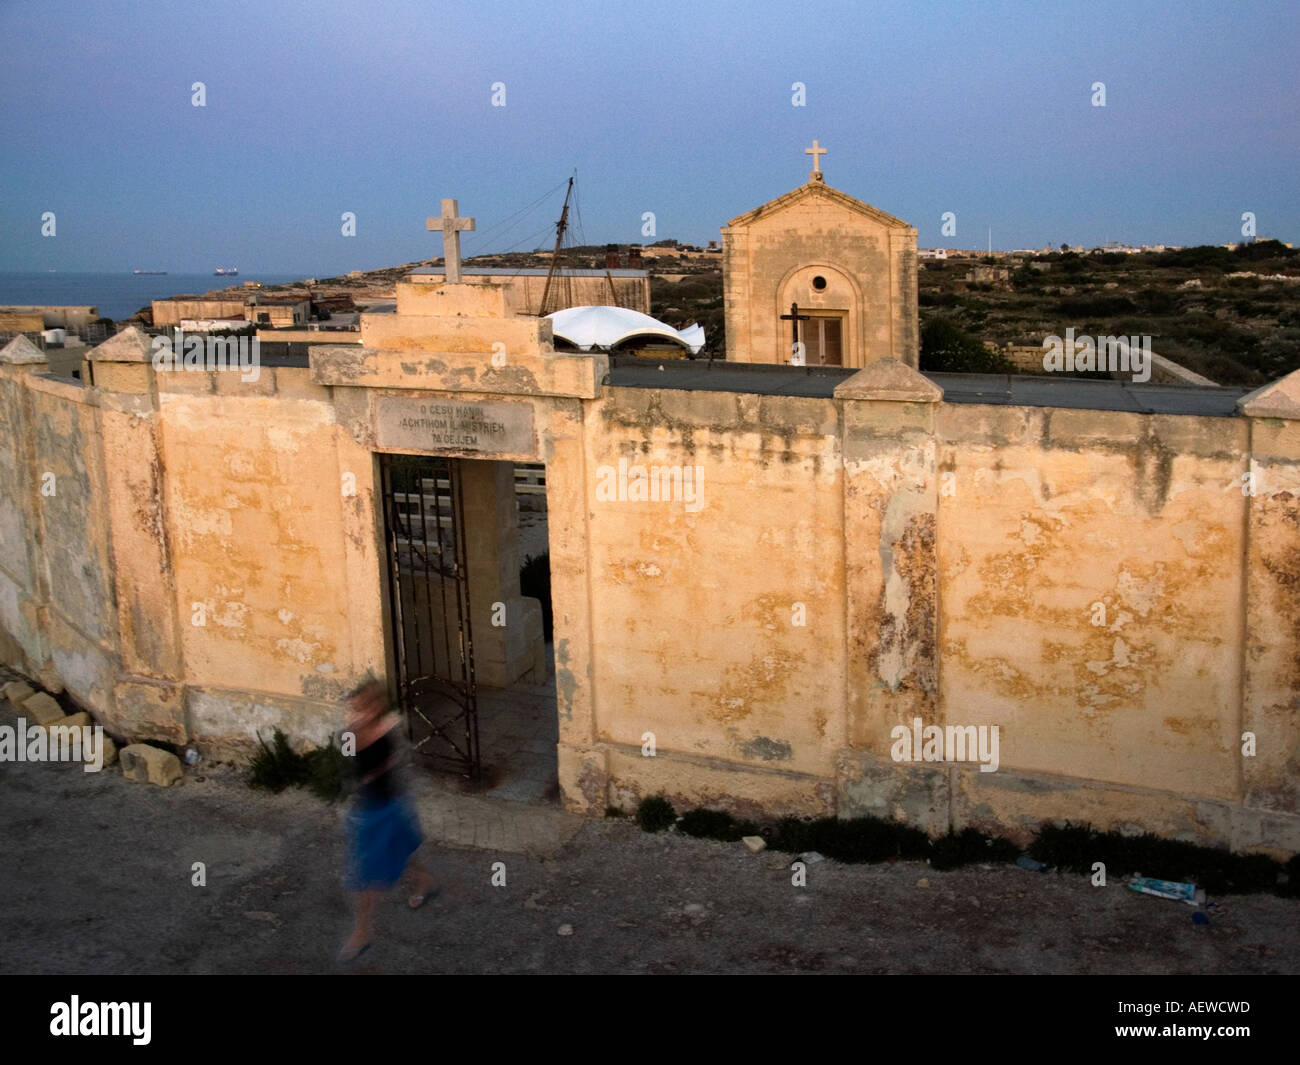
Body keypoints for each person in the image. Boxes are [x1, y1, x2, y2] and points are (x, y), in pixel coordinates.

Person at [338, 677, 436, 963]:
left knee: (368, 872)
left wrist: (380, 771)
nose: (359, 710)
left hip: (387, 806)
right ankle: (424, 880)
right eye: (357, 705)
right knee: (397, 852)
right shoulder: (352, 729)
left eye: (366, 704)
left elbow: (402, 765)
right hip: (366, 809)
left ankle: (362, 931)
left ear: (377, 704)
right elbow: (348, 763)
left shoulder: (390, 729)